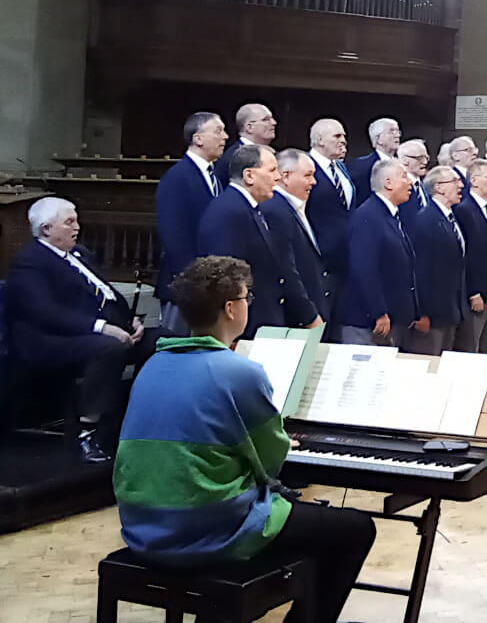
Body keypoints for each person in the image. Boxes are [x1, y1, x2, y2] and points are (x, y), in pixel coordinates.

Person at [113, 256, 375, 621]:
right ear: (231, 308)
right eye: (247, 297)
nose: (248, 303)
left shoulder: (153, 363)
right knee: (354, 529)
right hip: (209, 528)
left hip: (142, 524)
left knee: (310, 526)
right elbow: (272, 461)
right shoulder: (240, 371)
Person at [6, 197, 164, 463]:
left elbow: (107, 294)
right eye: (69, 222)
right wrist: (103, 328)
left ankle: (138, 416)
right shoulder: (31, 262)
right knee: (108, 348)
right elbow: (46, 312)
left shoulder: (80, 254)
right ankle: (87, 430)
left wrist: (130, 321)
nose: (77, 227)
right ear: (46, 229)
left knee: (162, 339)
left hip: (96, 332)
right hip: (50, 341)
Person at [198, 144, 322, 338]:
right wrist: (230, 336)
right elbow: (224, 279)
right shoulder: (229, 211)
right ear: (249, 176)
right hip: (241, 329)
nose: (278, 177)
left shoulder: (249, 208)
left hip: (261, 321)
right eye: (272, 170)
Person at [155, 111, 229, 333]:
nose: (225, 137)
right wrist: (195, 286)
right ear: (198, 138)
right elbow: (175, 238)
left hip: (209, 286)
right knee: (179, 347)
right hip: (188, 288)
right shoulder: (178, 177)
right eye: (218, 131)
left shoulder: (213, 175)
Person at [338, 158, 422, 346]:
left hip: (389, 318)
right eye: (403, 176)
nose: (410, 182)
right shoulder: (368, 216)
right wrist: (379, 311)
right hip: (367, 321)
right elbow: (364, 268)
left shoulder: (390, 215)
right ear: (388, 183)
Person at [261, 149, 333, 327]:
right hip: (296, 318)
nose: (313, 182)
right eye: (307, 175)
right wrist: (308, 315)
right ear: (285, 176)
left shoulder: (293, 207)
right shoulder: (275, 210)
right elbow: (286, 268)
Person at [407, 166, 468, 355]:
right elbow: (420, 270)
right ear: (439, 187)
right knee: (427, 367)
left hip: (449, 310)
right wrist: (422, 313)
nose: (461, 185)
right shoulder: (426, 220)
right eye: (455, 181)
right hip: (432, 314)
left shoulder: (450, 217)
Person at [306, 118, 356, 340]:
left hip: (344, 258)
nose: (343, 141)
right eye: (337, 136)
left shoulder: (341, 168)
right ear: (319, 139)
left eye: (344, 136)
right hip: (319, 258)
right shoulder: (306, 167)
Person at [453, 160, 487, 354]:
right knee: (471, 347)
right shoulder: (464, 210)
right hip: (478, 293)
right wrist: (473, 291)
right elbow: (468, 255)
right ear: (474, 180)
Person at [214, 103, 278, 192]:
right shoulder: (232, 158)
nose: (274, 122)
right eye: (266, 119)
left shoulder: (275, 154)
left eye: (272, 118)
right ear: (249, 127)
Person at [348, 117, 401, 205]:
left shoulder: (402, 165)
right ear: (379, 139)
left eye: (398, 131)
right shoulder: (362, 166)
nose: (397, 135)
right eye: (391, 131)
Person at [397, 138, 431, 230]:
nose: (425, 162)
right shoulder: (398, 187)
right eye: (419, 158)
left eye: (426, 157)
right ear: (404, 160)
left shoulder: (424, 186)